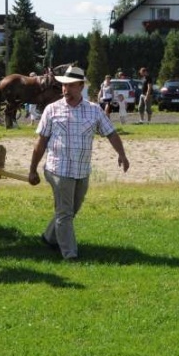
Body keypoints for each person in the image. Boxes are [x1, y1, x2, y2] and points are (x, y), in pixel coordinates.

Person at [28, 65, 129, 260]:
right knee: (65, 212)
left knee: (70, 210)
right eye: (63, 86)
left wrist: (122, 155)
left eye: (71, 86)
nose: (65, 90)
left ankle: (49, 237)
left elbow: (111, 133)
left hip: (82, 170)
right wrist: (32, 169)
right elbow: (40, 143)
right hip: (57, 169)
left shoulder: (94, 111)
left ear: (81, 86)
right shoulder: (52, 110)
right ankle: (70, 254)